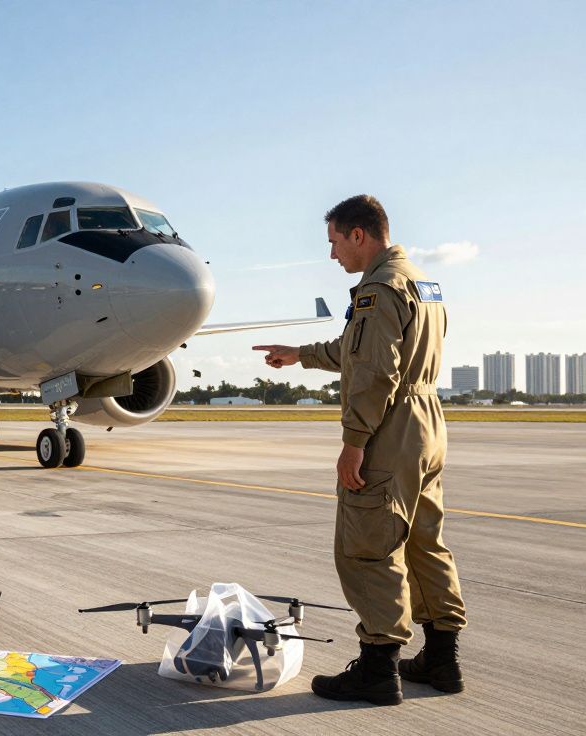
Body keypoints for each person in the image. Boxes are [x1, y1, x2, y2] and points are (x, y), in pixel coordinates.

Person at [253, 195, 466, 706]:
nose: (332, 255)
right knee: (424, 542)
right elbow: (360, 351)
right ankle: (442, 659)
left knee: (369, 547)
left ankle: (377, 668)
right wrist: (301, 355)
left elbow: (374, 372)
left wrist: (354, 443)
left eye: (334, 242)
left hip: (388, 429)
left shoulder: (378, 288)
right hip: (427, 425)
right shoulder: (421, 283)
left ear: (358, 235)